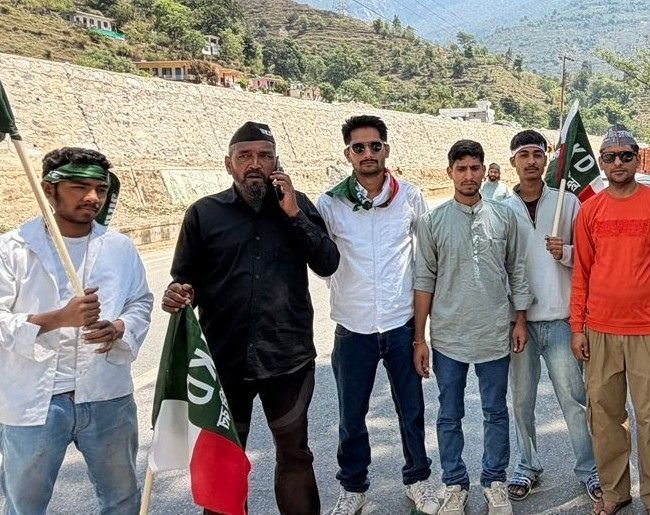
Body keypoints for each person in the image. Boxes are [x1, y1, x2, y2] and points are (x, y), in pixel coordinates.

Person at [162, 121, 340, 515]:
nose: (255, 164)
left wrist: (294, 214)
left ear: (277, 162)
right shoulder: (203, 214)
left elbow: (328, 262)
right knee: (223, 461)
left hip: (288, 360)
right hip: (224, 363)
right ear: (229, 164)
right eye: (245, 156)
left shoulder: (297, 205)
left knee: (295, 455)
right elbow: (184, 279)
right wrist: (177, 293)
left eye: (264, 155)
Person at [0, 147, 152, 515]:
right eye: (79, 187)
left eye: (100, 188)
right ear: (48, 189)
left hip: (107, 394)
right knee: (25, 506)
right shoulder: (12, 249)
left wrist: (119, 328)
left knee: (122, 500)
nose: (92, 197)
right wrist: (57, 318)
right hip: (35, 400)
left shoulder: (119, 248)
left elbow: (140, 302)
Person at [318, 115, 438, 515]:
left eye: (374, 146)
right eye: (359, 147)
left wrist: (421, 334)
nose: (367, 153)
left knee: (412, 410)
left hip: (400, 323)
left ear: (386, 149)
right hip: (353, 327)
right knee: (351, 415)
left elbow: (426, 261)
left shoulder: (410, 197)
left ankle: (418, 480)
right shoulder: (330, 203)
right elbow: (321, 259)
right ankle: (353, 488)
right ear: (348, 154)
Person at [413, 139, 531, 515]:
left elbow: (517, 270)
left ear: (484, 171)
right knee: (449, 414)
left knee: (495, 411)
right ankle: (454, 484)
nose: (468, 175)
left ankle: (495, 483)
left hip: (494, 331)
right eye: (461, 168)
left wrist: (520, 319)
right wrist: (419, 339)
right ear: (450, 172)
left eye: (474, 168)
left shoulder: (504, 217)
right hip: (449, 336)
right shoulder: (432, 222)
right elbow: (424, 280)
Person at [570, 126, 650, 515]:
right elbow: (581, 273)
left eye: (626, 155)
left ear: (637, 159)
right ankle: (614, 491)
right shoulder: (590, 210)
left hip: (648, 331)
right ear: (601, 163)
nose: (618, 162)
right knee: (605, 416)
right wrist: (577, 327)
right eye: (610, 156)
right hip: (599, 330)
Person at [500, 130, 601, 502]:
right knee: (521, 401)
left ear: (546, 159)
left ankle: (590, 469)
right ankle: (527, 467)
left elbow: (590, 257)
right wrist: (514, 317)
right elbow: (500, 267)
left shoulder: (567, 203)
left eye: (537, 154)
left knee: (574, 400)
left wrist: (567, 252)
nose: (531, 161)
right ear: (513, 161)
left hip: (560, 318)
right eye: (524, 154)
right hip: (518, 323)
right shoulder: (501, 207)